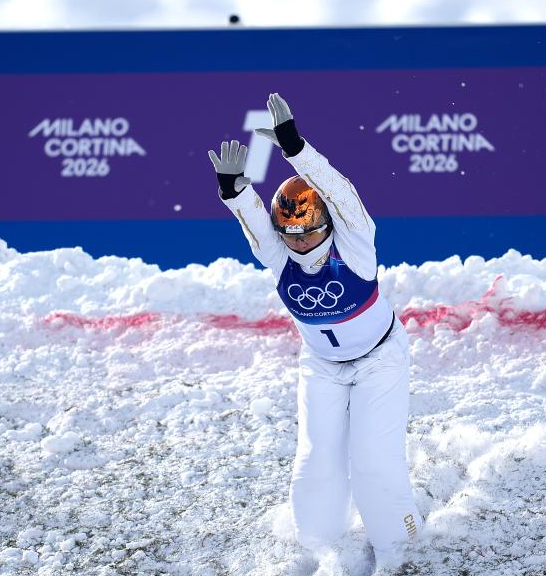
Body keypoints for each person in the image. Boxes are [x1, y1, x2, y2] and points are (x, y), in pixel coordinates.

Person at [208, 93, 423, 567]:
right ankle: (321, 553)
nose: (301, 242)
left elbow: (341, 192)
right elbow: (252, 223)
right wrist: (235, 192)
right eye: (291, 235)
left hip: (379, 361)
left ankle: (402, 550)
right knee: (314, 465)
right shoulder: (278, 254)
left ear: (327, 222)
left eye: (309, 232)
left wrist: (296, 150)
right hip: (321, 367)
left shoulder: (356, 240)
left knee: (371, 462)